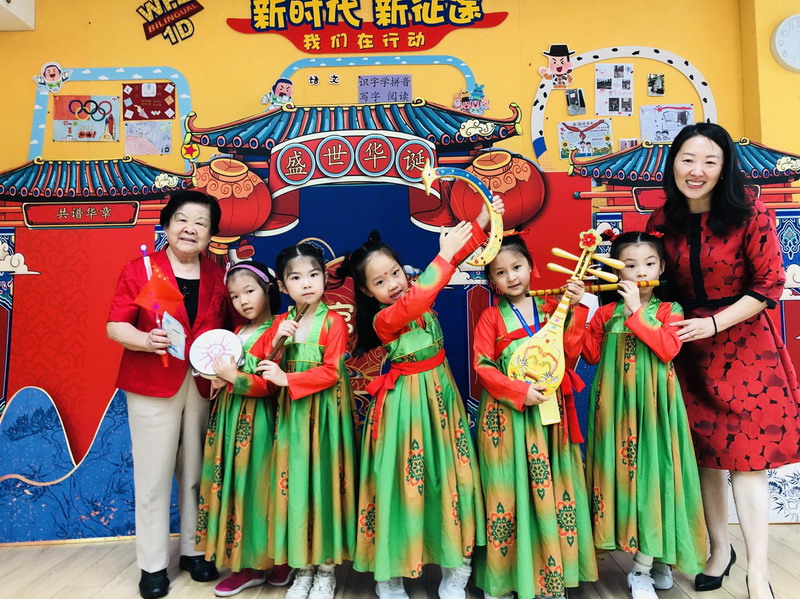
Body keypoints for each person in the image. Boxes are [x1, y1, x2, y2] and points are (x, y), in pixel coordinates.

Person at [648, 122, 800, 599]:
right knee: (706, 459)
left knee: (748, 462)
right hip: (686, 349)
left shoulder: (751, 214)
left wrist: (714, 324)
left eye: (709, 161)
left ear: (724, 167)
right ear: (673, 164)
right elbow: (656, 285)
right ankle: (719, 550)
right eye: (687, 160)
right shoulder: (662, 220)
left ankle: (757, 571)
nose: (697, 171)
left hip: (745, 348)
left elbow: (769, 286)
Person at [341, 198, 500, 599]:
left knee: (450, 478)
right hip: (404, 408)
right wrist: (444, 257)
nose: (393, 284)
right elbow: (421, 295)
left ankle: (455, 568)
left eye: (395, 272)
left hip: (441, 400)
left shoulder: (419, 292)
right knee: (401, 484)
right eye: (380, 282)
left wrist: (483, 219)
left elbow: (442, 270)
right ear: (367, 291)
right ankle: (390, 574)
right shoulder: (385, 319)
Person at [107, 190, 228, 599]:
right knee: (153, 477)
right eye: (182, 219)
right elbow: (115, 325)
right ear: (167, 223)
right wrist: (145, 340)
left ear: (211, 233)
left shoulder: (218, 274)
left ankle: (194, 551)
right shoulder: (142, 269)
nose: (190, 229)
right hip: (152, 382)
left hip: (201, 385)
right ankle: (153, 565)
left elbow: (227, 330)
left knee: (195, 472)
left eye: (201, 223)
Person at [580, 231, 705, 599]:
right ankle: (643, 560)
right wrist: (575, 309)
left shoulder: (670, 311)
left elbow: (667, 349)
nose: (640, 272)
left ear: (662, 267)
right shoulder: (605, 314)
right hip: (614, 413)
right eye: (630, 266)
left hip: (655, 413)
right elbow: (588, 355)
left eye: (649, 264)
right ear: (616, 273)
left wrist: (637, 311)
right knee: (619, 480)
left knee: (656, 479)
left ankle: (646, 566)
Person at [472, 235, 598, 599]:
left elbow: (571, 354)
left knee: (552, 492)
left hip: (549, 414)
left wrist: (575, 308)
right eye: (500, 272)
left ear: (532, 267)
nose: (511, 277)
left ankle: (549, 578)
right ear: (491, 280)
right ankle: (505, 580)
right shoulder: (490, 318)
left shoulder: (552, 307)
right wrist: (518, 391)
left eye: (517, 267)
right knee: (507, 493)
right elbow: (482, 365)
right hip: (507, 419)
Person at [247, 243, 357, 599]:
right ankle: (302, 568)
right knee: (295, 487)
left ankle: (326, 570)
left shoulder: (334, 322)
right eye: (296, 278)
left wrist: (287, 379)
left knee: (323, 485)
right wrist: (276, 338)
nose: (307, 283)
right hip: (293, 419)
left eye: (313, 274)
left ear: (324, 278)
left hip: (325, 417)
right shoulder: (280, 323)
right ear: (282, 286)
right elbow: (254, 362)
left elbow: (332, 372)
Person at [194, 260, 292, 596]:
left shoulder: (281, 327)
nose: (243, 301)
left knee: (260, 487)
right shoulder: (233, 334)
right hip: (228, 419)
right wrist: (217, 381)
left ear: (268, 289)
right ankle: (246, 563)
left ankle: (273, 558)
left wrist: (234, 376)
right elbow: (218, 377)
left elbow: (271, 384)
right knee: (235, 485)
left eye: (249, 291)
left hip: (260, 421)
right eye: (235, 296)